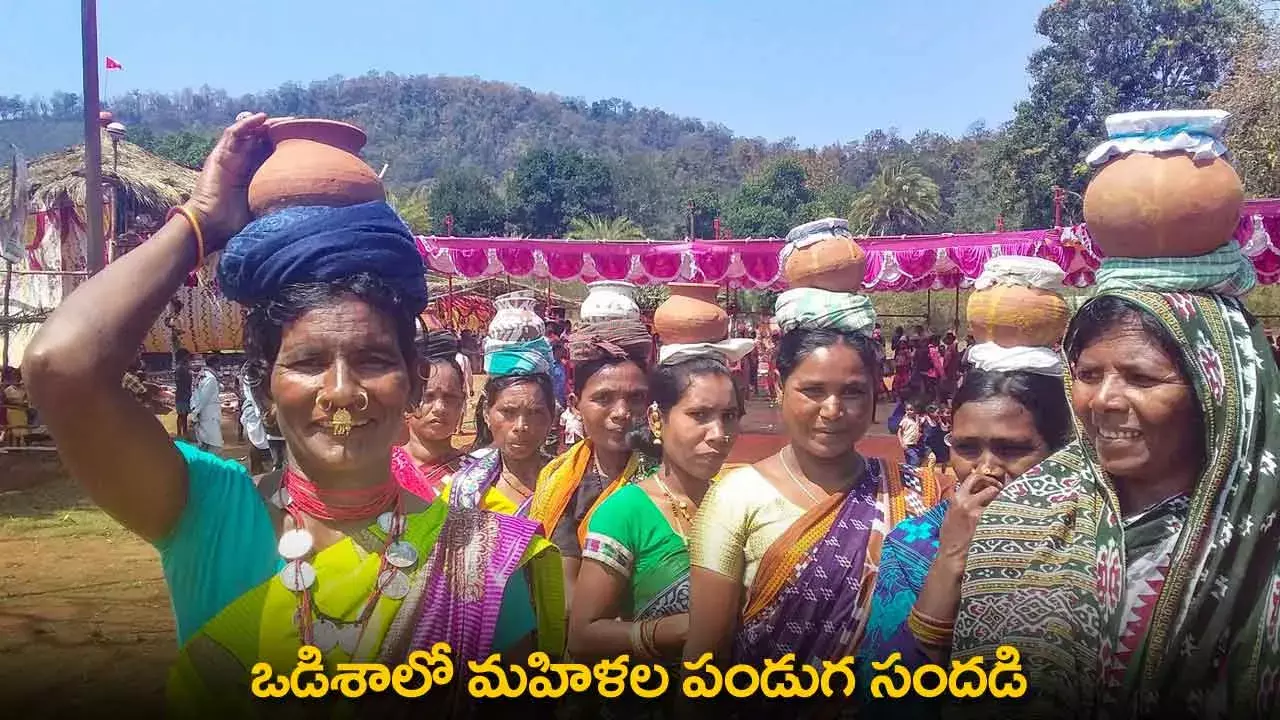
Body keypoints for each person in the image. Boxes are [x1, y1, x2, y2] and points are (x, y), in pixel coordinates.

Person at [20, 114, 547, 716]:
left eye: (373, 359)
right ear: (264, 387)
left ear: (415, 379)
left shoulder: (477, 562)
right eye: (309, 361)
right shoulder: (207, 513)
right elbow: (63, 367)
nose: (342, 391)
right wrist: (201, 219)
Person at [952, 273, 1280, 716]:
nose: (1103, 400)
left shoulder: (1261, 534)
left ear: (1215, 391)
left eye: (1141, 378)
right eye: (1088, 374)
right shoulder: (1026, 514)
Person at [683, 282, 945, 697]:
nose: (833, 410)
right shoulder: (735, 499)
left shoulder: (914, 492)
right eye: (813, 390)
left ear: (875, 396)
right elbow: (704, 662)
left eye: (854, 392)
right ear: (777, 389)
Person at [860, 355, 1072, 700]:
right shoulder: (913, 544)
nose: (986, 469)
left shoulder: (1091, 540)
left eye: (1013, 449)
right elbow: (887, 691)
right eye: (966, 448)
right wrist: (951, 557)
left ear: (1060, 451)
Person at [568, 350, 746, 719]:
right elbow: (583, 638)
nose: (719, 434)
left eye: (729, 417)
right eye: (699, 416)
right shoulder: (624, 512)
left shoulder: (740, 501)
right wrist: (681, 631)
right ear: (656, 419)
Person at [534, 318, 653, 609]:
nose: (622, 413)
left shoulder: (669, 475)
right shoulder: (561, 482)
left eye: (635, 398)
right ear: (575, 404)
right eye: (604, 398)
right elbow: (567, 593)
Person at [391, 328, 467, 502]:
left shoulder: (476, 476)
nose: (440, 408)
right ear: (407, 401)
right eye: (428, 397)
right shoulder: (379, 471)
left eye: (450, 397)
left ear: (461, 403)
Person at [187, 354, 223, 454]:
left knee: (205, 442)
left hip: (203, 413)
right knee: (214, 444)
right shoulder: (210, 378)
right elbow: (203, 398)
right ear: (215, 364)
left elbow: (196, 395)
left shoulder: (202, 376)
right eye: (219, 363)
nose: (220, 366)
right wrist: (194, 414)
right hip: (209, 414)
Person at [173, 349, 192, 438]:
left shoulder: (183, 367)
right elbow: (182, 382)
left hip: (184, 394)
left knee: (184, 415)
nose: (188, 358)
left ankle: (183, 433)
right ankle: (180, 433)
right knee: (181, 415)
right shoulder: (180, 368)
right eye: (187, 356)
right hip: (182, 394)